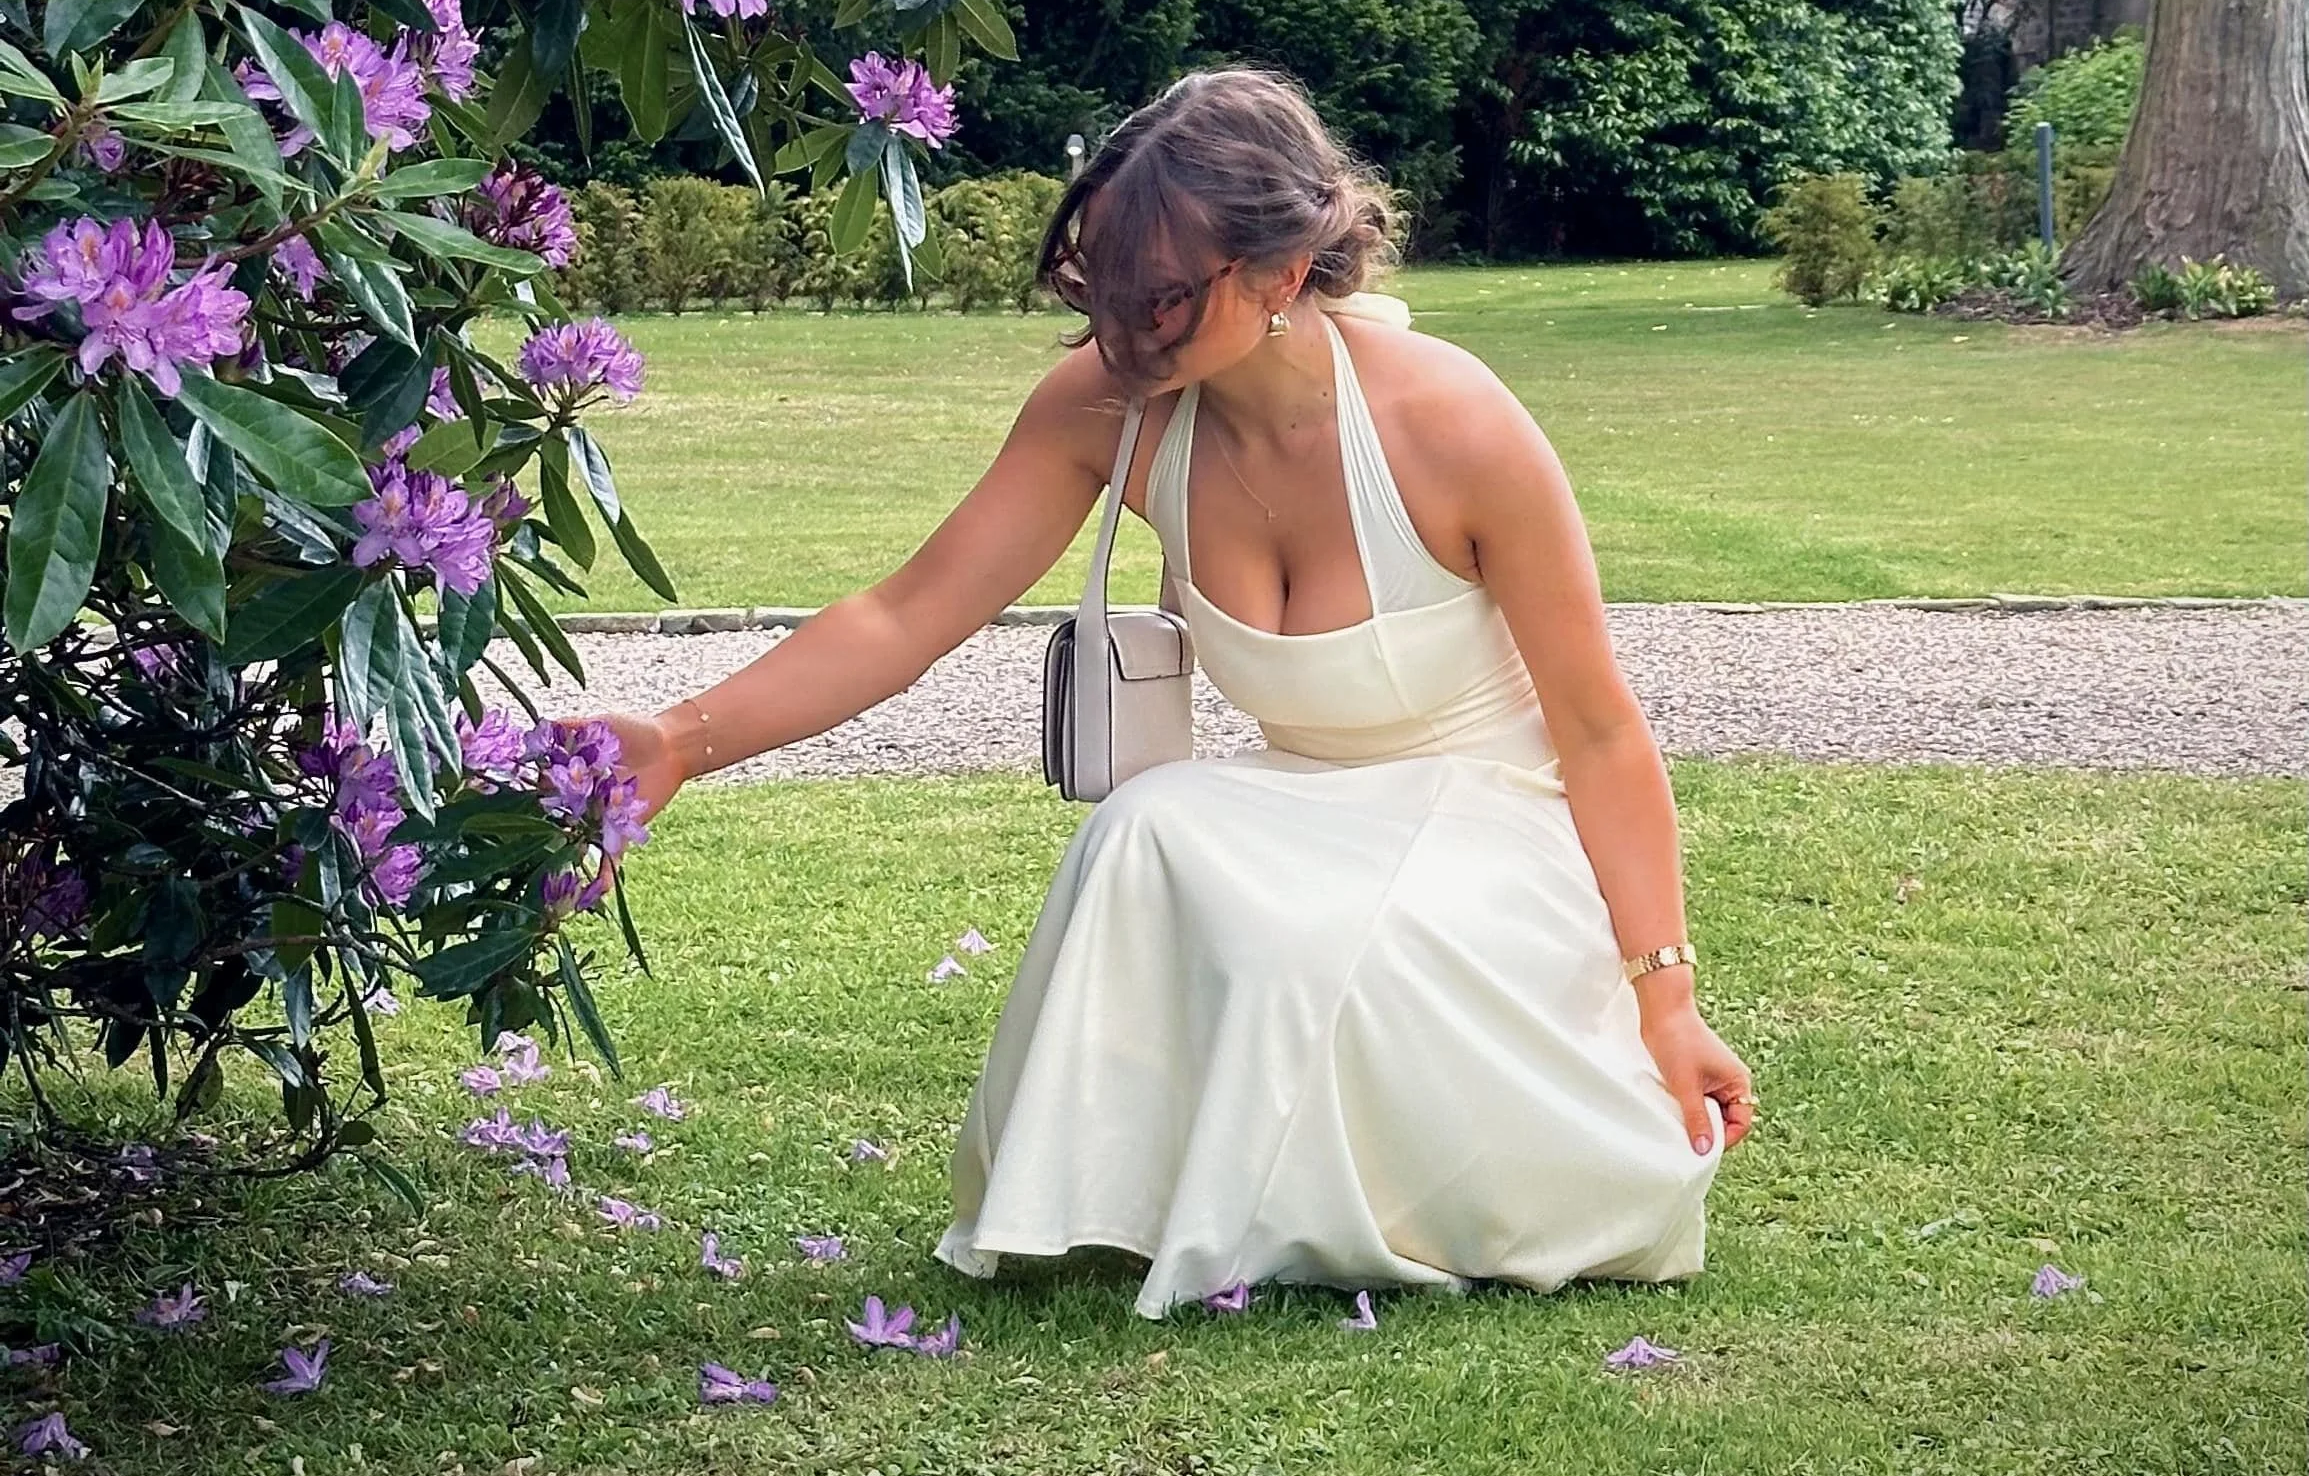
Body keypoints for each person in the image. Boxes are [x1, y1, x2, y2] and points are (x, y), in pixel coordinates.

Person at [596, 66, 1755, 1319]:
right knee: (1140, 828)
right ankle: (1131, 1192)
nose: (1123, 338)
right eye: (1099, 292)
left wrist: (1666, 994)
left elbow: (1596, 727)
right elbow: (903, 611)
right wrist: (676, 739)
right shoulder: (1111, 409)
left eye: (1161, 298)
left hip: (1492, 812)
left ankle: (1399, 1186)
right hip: (1297, 802)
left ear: (1278, 267)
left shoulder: (1455, 425)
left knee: (1305, 940)